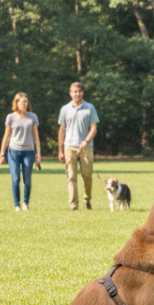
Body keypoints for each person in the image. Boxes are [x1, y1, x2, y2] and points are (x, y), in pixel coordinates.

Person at [57, 82, 100, 210]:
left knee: (87, 176)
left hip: (86, 147)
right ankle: (73, 204)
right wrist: (60, 150)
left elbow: (94, 128)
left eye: (79, 91)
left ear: (83, 93)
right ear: (70, 93)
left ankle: (87, 199)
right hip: (69, 147)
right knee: (71, 176)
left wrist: (86, 141)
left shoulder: (90, 108)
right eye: (74, 92)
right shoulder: (65, 109)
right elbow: (62, 130)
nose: (77, 94)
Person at [0, 92, 41, 211]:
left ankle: (25, 203)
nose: (23, 103)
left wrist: (38, 153)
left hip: (29, 152)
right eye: (21, 101)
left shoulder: (32, 117)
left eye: (25, 101)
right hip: (14, 152)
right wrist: (2, 153)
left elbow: (36, 136)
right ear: (16, 103)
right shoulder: (10, 117)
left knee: (27, 180)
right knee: (15, 179)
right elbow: (6, 136)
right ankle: (17, 205)